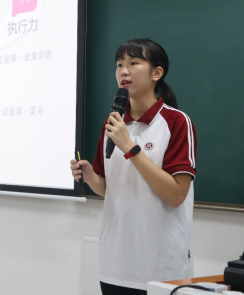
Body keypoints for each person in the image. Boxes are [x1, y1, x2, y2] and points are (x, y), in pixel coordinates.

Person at [71, 39, 197, 295]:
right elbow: (108, 189)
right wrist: (91, 177)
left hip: (162, 268)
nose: (123, 71)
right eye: (119, 65)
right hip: (114, 264)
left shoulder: (176, 121)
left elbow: (176, 194)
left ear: (156, 73)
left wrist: (130, 148)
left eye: (134, 63)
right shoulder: (113, 124)